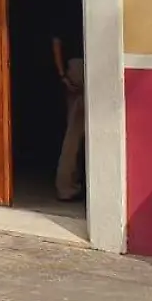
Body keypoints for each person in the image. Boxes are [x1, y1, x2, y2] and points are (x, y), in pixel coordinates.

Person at [53, 27, 85, 202]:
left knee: (74, 132)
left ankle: (69, 185)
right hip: (83, 65)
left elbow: (56, 42)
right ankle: (68, 186)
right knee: (77, 133)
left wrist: (63, 74)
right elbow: (56, 42)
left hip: (76, 67)